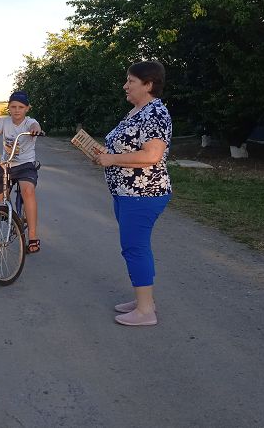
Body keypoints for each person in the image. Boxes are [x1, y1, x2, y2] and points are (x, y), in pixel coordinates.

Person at [94, 60, 172, 327]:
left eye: (131, 81)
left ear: (148, 85)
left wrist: (112, 159)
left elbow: (152, 155)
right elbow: (128, 147)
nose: (125, 86)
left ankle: (145, 311)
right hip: (126, 192)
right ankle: (143, 300)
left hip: (143, 193)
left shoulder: (155, 112)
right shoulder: (137, 111)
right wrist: (105, 155)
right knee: (135, 247)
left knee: (135, 248)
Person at [0, 90, 44, 253]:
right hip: (6, 166)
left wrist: (35, 130)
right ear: (8, 107)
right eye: (13, 106)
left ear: (27, 108)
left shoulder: (30, 122)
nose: (17, 110)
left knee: (28, 191)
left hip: (25, 165)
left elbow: (35, 126)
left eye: (21, 107)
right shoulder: (4, 122)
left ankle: (33, 237)